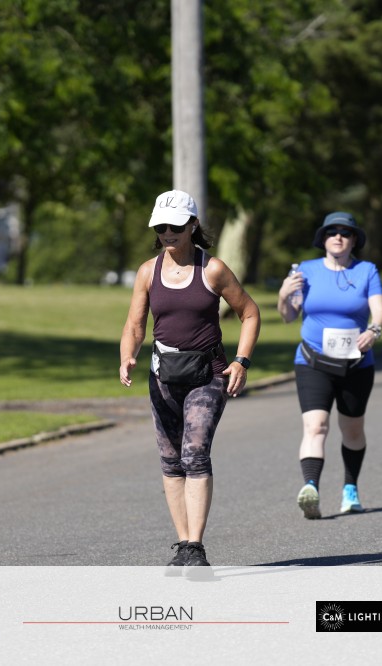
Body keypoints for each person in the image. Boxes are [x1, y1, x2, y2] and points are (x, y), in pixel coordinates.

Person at [120, 189, 260, 572]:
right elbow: (134, 324)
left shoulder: (212, 269)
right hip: (163, 375)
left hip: (207, 374)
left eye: (176, 226)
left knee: (194, 453)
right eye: (161, 227)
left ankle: (196, 546)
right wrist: (127, 355)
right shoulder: (148, 272)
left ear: (193, 225)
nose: (168, 233)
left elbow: (249, 312)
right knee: (170, 460)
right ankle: (183, 544)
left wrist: (242, 361)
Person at [277, 211, 382, 519]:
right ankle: (310, 488)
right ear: (323, 239)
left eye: (345, 232)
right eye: (331, 232)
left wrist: (373, 331)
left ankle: (350, 489)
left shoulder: (366, 270)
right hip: (312, 361)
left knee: (352, 429)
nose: (338, 237)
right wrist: (284, 294)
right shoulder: (305, 270)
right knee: (316, 426)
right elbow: (288, 316)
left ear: (354, 240)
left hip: (356, 364)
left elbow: (379, 310)